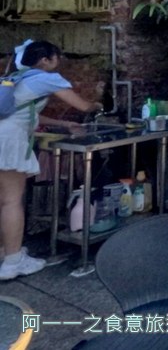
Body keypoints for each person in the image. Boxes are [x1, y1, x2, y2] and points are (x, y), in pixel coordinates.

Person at [0, 40, 103, 280]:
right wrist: (97, 103)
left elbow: (28, 111)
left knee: (2, 201)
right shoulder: (47, 78)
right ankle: (13, 264)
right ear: (45, 59)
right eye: (56, 58)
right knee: (12, 201)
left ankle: (5, 252)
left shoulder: (14, 78)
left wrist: (64, 124)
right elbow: (83, 105)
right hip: (10, 142)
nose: (58, 63)